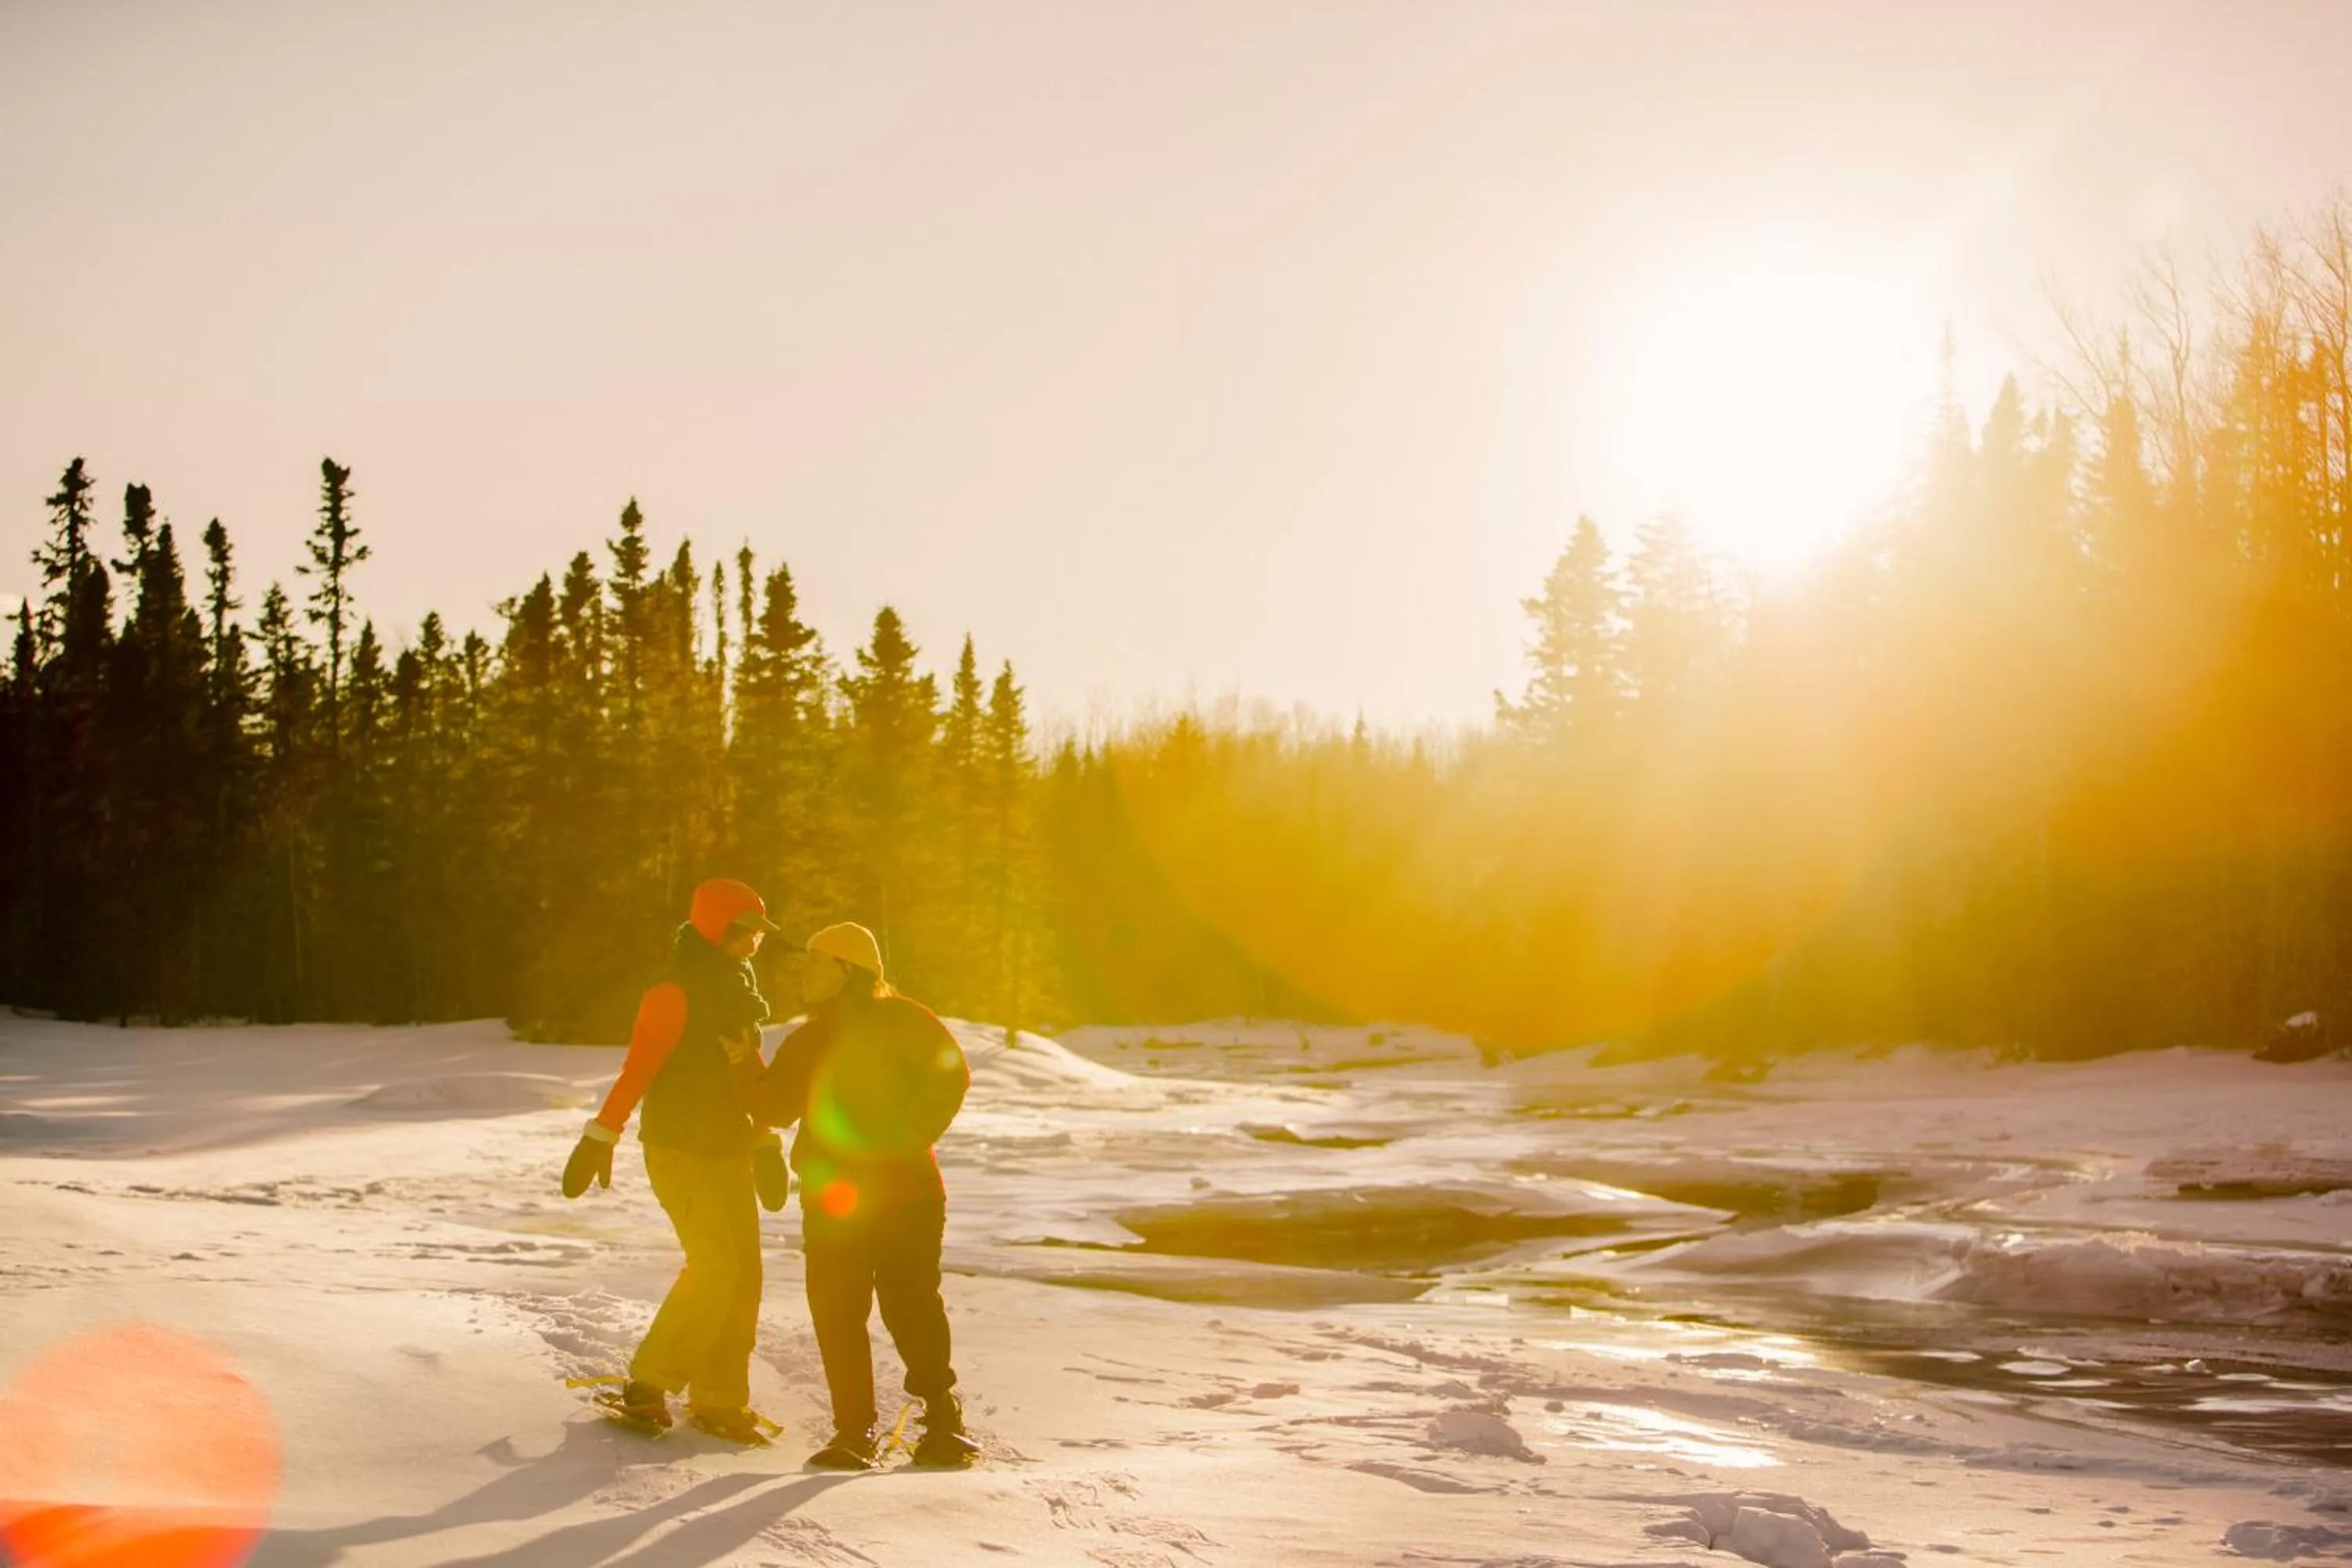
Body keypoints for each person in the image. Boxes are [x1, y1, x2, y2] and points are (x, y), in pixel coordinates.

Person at [732, 921, 977, 1470]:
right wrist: (742, 1063)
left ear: (847, 969)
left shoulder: (899, 1022)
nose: (804, 972)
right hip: (858, 1194)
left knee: (895, 1306)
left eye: (815, 962)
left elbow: (951, 1077)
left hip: (894, 1193)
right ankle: (880, 1428)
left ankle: (918, 1424)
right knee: (860, 1309)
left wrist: (906, 1138)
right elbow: (775, 1108)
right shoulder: (818, 1036)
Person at [560, 877, 791, 1442]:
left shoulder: (740, 989)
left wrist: (763, 1141)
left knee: (745, 1275)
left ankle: (719, 1398)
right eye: (745, 932)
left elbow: (749, 1071)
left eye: (759, 935)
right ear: (717, 928)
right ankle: (648, 1384)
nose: (753, 944)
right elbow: (638, 1069)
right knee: (714, 1264)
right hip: (677, 1147)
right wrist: (601, 1135)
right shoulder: (673, 991)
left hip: (729, 1145)